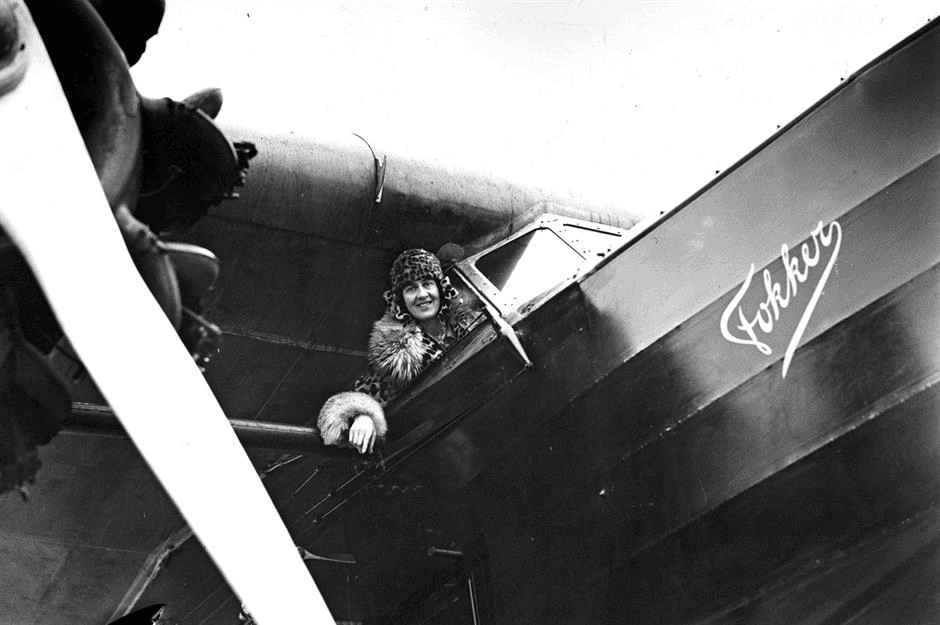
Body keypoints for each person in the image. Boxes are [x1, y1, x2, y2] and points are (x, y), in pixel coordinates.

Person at [317, 248, 481, 454]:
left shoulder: (474, 323)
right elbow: (370, 391)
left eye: (428, 284)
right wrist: (363, 416)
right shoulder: (398, 349)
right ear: (401, 299)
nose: (422, 295)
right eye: (411, 288)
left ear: (441, 288)